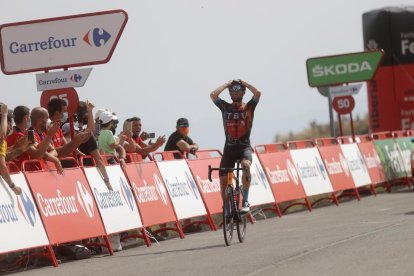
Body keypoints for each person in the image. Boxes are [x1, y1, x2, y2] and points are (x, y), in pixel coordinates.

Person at [210, 79, 261, 213]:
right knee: (222, 180)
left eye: (238, 90)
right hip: (229, 149)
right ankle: (227, 209)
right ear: (230, 94)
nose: (235, 92)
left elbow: (257, 93)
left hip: (244, 148)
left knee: (245, 165)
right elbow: (213, 95)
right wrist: (227, 84)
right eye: (233, 90)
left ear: (243, 92)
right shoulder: (225, 107)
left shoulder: (249, 107)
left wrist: (245, 83)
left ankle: (245, 200)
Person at [0, 103, 21, 195]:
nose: (11, 124)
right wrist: (13, 187)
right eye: (10, 121)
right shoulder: (2, 139)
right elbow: (2, 166)